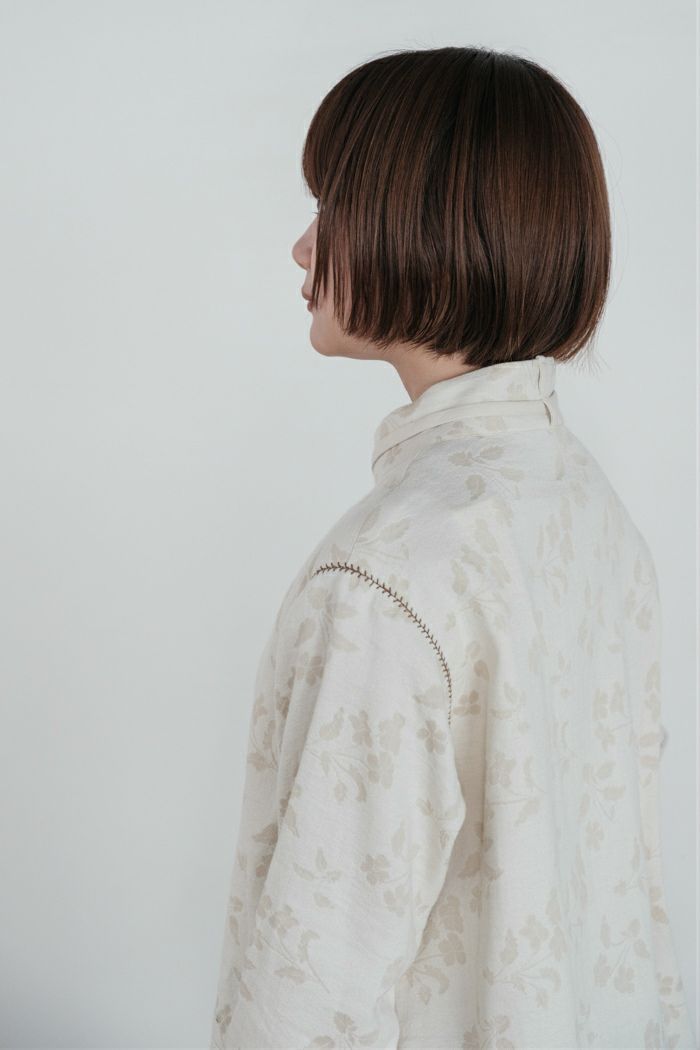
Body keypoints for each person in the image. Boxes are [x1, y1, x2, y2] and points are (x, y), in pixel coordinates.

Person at [210, 46, 695, 1049]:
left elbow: (312, 995)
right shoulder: (584, 506)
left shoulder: (386, 575)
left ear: (425, 222)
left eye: (333, 204)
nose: (301, 248)